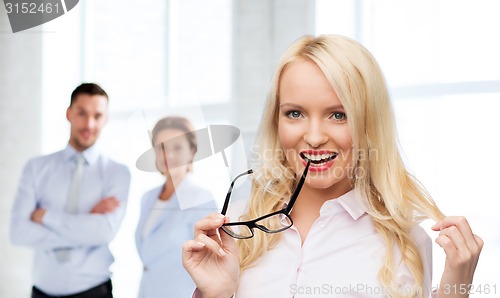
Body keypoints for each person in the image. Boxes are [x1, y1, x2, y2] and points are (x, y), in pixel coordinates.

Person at [181, 35, 483, 298]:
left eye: (338, 115)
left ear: (369, 123)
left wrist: (456, 292)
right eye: (295, 113)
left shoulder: (405, 245)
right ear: (277, 120)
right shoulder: (236, 227)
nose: (313, 137)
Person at [10, 83, 131, 298]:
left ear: (106, 119)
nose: (89, 123)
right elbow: (18, 232)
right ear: (69, 113)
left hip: (94, 291)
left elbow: (103, 233)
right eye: (82, 113)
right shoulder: (36, 168)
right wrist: (87, 224)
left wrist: (47, 217)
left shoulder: (117, 173)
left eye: (97, 115)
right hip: (41, 291)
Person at [135, 116, 218, 298]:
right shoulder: (148, 198)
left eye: (177, 147)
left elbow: (210, 262)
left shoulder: (201, 199)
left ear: (192, 151)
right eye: (161, 148)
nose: (169, 155)